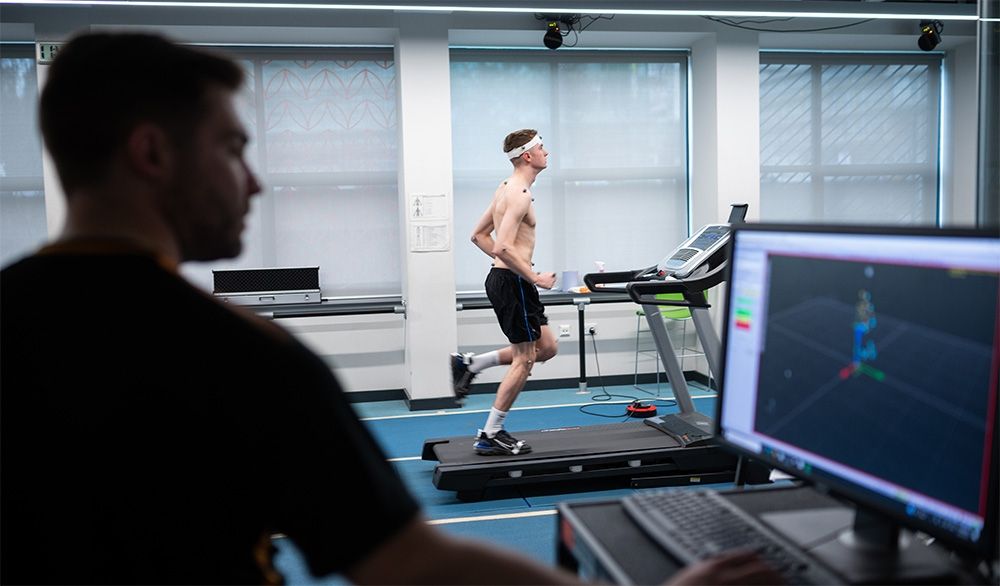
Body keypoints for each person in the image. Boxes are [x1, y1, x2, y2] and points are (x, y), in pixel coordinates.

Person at [0, 32, 780, 586]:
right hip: (514, 283)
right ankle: (490, 417)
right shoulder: (248, 360)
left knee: (533, 351)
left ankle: (476, 368)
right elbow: (411, 562)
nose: (256, 183)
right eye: (233, 149)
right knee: (533, 353)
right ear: (151, 153)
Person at [450, 129, 560, 457]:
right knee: (525, 359)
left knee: (547, 347)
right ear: (528, 155)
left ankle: (471, 363)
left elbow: (478, 236)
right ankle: (491, 433)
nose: (546, 153)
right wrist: (533, 276)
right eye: (542, 148)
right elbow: (501, 247)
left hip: (513, 279)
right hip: (513, 283)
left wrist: (518, 269)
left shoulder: (505, 188)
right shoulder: (519, 194)